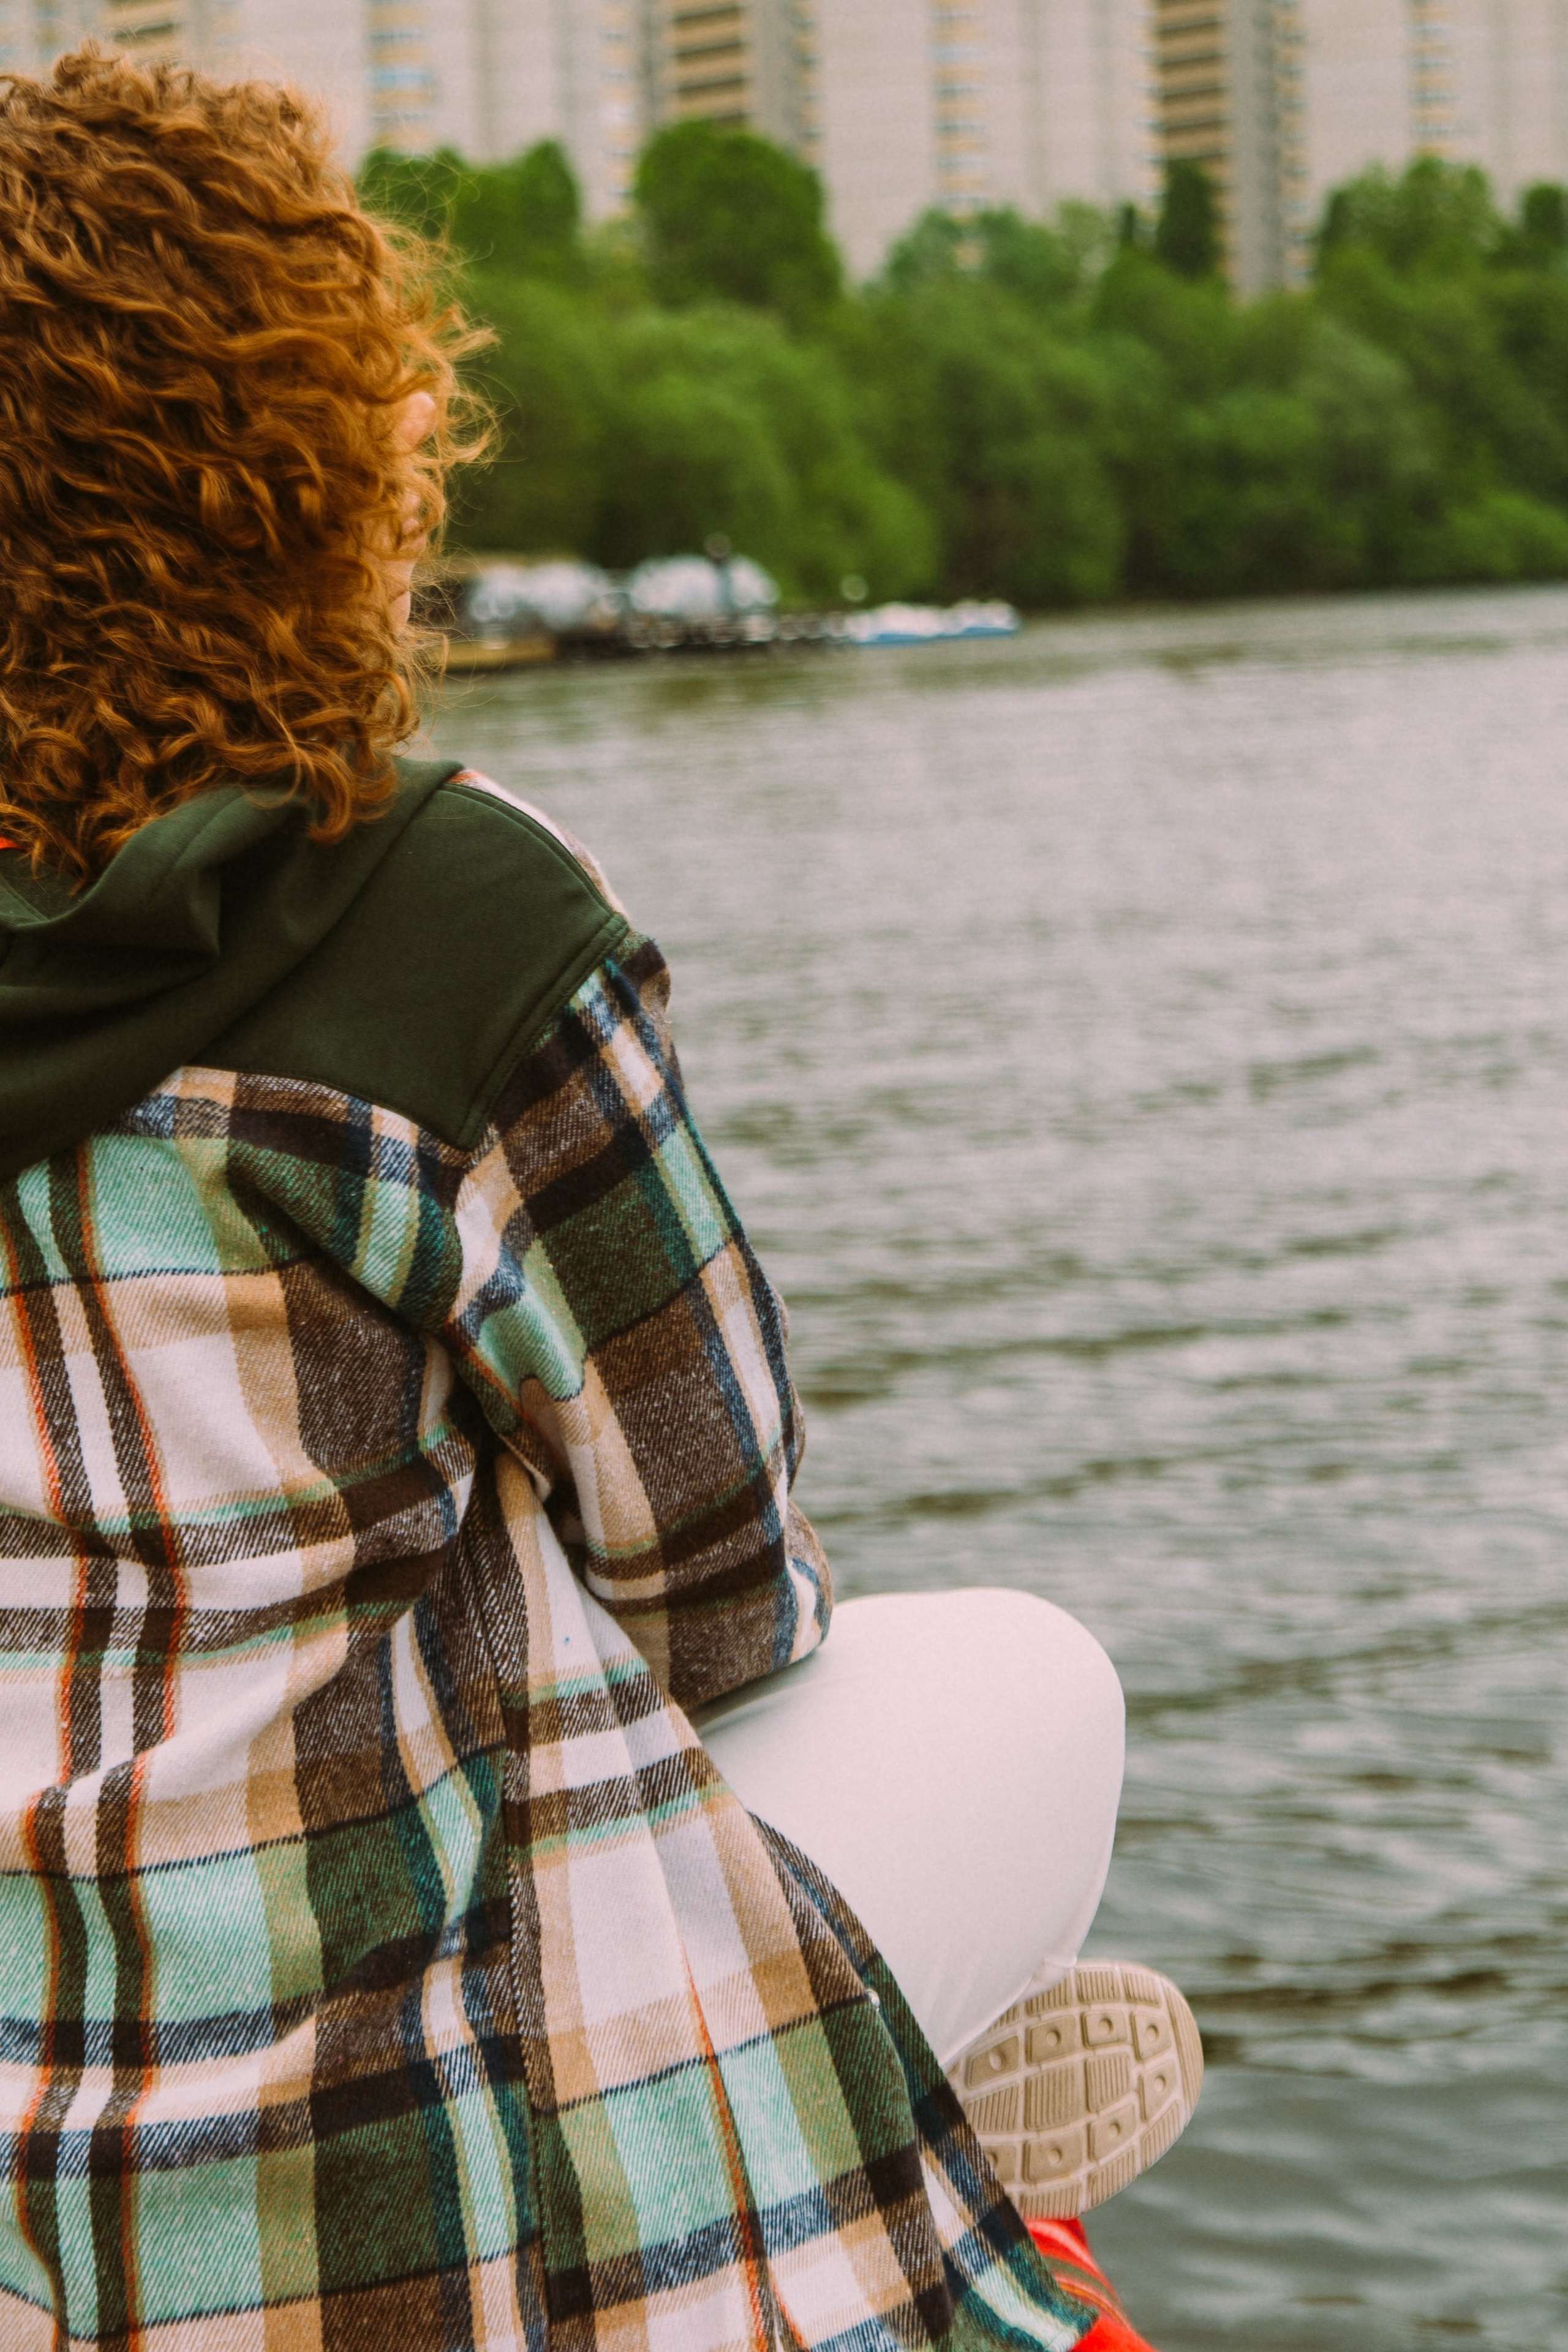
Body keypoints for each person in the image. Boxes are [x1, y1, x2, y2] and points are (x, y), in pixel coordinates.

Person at [0, 47, 1197, 2352]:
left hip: (46, 2178)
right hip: (417, 2219)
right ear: (315, 458)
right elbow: (723, 1583)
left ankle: (862, 2083)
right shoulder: (441, 924)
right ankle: (879, 2121)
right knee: (1031, 1684)